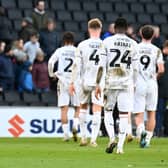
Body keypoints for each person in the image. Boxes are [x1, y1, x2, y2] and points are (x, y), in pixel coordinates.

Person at [102, 17, 138, 154]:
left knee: (108, 111)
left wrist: (100, 84)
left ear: (115, 28)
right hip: (126, 82)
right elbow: (136, 68)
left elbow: (102, 65)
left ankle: (112, 137)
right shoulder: (133, 43)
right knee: (124, 114)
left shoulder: (106, 42)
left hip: (110, 81)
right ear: (127, 28)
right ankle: (120, 147)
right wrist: (134, 83)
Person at [69, 18, 107, 147]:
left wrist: (73, 82)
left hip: (84, 80)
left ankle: (83, 137)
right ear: (100, 29)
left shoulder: (82, 45)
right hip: (99, 81)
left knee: (83, 108)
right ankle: (93, 139)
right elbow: (104, 66)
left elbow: (76, 66)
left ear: (89, 29)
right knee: (97, 110)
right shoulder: (104, 44)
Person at [134, 25, 164, 147]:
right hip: (151, 82)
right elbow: (161, 69)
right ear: (153, 35)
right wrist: (154, 77)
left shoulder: (135, 48)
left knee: (139, 112)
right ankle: (147, 141)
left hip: (139, 82)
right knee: (152, 112)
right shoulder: (156, 50)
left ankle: (141, 131)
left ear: (141, 34)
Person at [48, 32, 80, 142]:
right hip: (75, 82)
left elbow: (51, 62)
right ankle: (75, 126)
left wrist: (52, 74)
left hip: (62, 81)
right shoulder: (77, 51)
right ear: (73, 41)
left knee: (64, 109)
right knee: (78, 107)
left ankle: (66, 134)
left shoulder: (60, 51)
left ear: (64, 41)